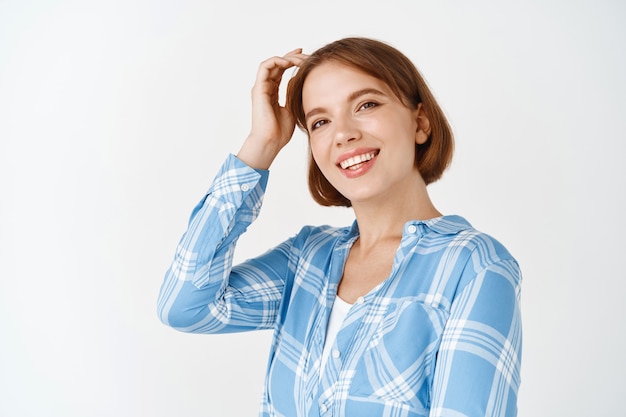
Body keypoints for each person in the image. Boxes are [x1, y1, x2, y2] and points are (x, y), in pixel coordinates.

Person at [157, 37, 522, 417]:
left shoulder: (473, 267)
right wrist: (261, 145)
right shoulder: (306, 258)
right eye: (320, 122)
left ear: (420, 122)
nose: (343, 133)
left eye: (366, 105)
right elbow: (186, 306)